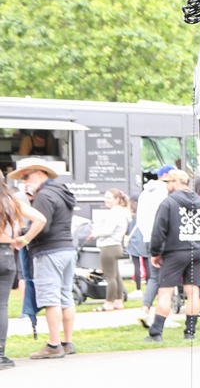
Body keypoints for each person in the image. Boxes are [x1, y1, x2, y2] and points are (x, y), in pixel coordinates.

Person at [11, 158, 77, 359]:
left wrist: (23, 236)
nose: (24, 181)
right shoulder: (62, 192)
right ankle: (67, 342)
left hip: (49, 251)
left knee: (51, 299)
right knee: (66, 296)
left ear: (40, 173)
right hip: (67, 248)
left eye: (26, 176)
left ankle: (53, 344)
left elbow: (42, 226)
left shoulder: (43, 196)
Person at [144, 169, 200, 343]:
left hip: (175, 251)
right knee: (193, 292)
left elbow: (159, 230)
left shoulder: (168, 203)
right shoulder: (199, 201)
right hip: (197, 249)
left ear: (177, 183)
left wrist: (155, 252)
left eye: (168, 182)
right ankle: (190, 332)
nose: (167, 186)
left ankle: (156, 333)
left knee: (165, 292)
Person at [0, 180, 46, 370]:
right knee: (1, 305)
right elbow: (41, 219)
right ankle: (0, 354)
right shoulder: (11, 202)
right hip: (6, 254)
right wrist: (24, 239)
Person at [135, 166, 175, 319]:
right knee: (167, 278)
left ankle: (145, 308)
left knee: (154, 276)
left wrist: (147, 233)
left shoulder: (145, 192)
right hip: (163, 238)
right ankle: (164, 314)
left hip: (147, 238)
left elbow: (140, 220)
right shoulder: (165, 193)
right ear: (166, 176)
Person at [90, 189, 132, 311]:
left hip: (108, 247)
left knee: (110, 277)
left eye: (109, 198)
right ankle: (118, 301)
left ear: (117, 200)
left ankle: (108, 303)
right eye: (105, 197)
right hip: (117, 246)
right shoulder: (123, 212)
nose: (105, 200)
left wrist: (95, 234)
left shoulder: (115, 212)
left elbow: (108, 230)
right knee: (116, 275)